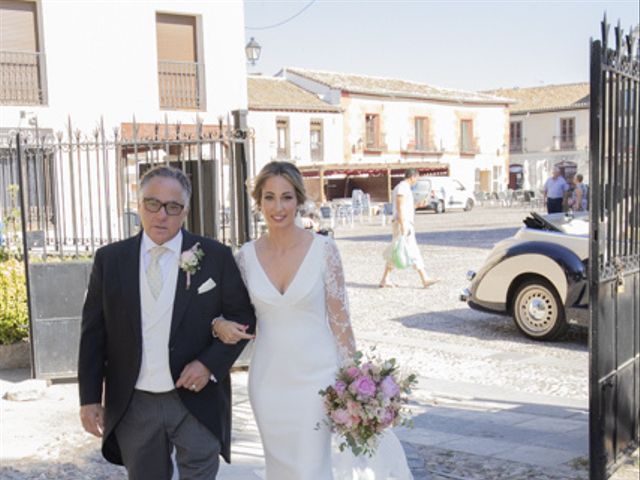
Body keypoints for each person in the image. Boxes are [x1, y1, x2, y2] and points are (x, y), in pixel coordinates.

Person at [212, 161, 413, 479]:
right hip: (267, 383)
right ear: (258, 202)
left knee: (311, 469)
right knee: (280, 469)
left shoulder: (324, 250)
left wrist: (354, 387)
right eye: (269, 197)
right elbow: (230, 313)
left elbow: (341, 323)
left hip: (318, 382)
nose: (278, 207)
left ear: (299, 200)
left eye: (286, 197)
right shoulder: (245, 258)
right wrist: (219, 324)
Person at [77, 166, 256, 479]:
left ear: (185, 211)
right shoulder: (110, 260)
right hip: (135, 403)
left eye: (172, 207)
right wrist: (90, 397)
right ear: (138, 204)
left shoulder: (214, 255)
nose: (161, 215)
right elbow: (94, 333)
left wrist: (209, 364)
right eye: (152, 203)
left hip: (196, 403)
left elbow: (243, 318)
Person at [379, 168, 437, 288]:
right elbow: (399, 207)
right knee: (412, 249)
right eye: (417, 178)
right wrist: (403, 224)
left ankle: (385, 279)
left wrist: (418, 205)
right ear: (413, 177)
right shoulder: (403, 188)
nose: (416, 181)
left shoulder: (404, 188)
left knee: (397, 250)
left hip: (403, 222)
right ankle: (424, 278)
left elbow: (404, 207)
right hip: (403, 223)